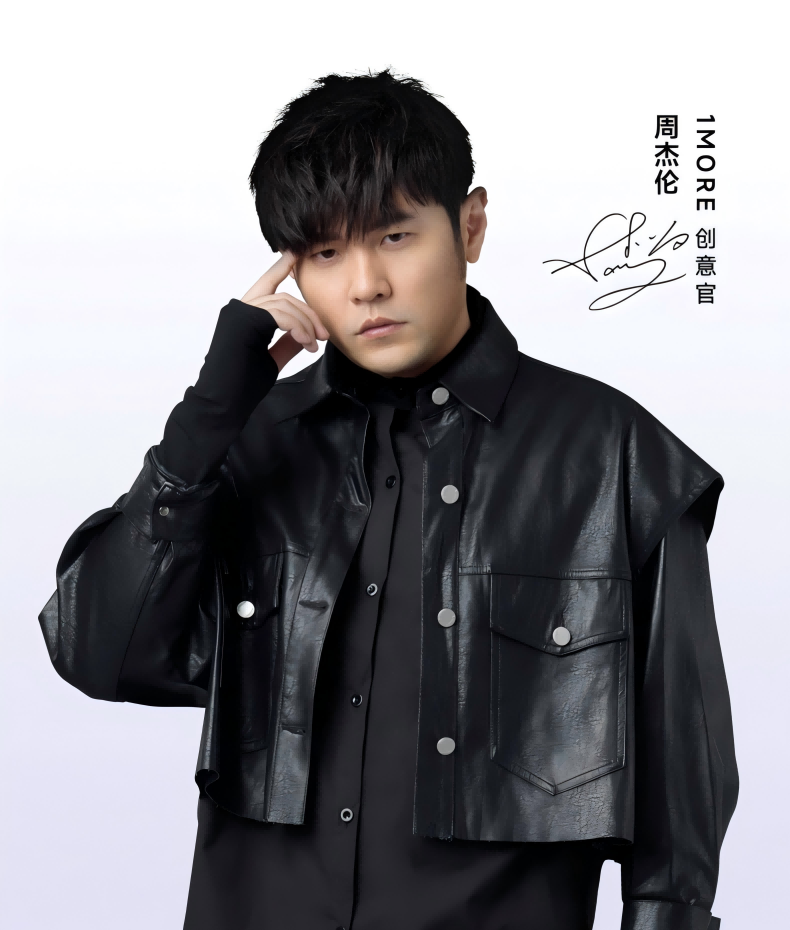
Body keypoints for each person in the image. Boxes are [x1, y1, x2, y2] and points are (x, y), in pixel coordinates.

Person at [39, 70, 738, 930]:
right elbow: (97, 654)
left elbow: (681, 792)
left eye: (395, 236)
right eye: (325, 254)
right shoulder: (246, 447)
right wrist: (205, 422)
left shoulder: (615, 457)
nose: (365, 284)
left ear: (470, 226)